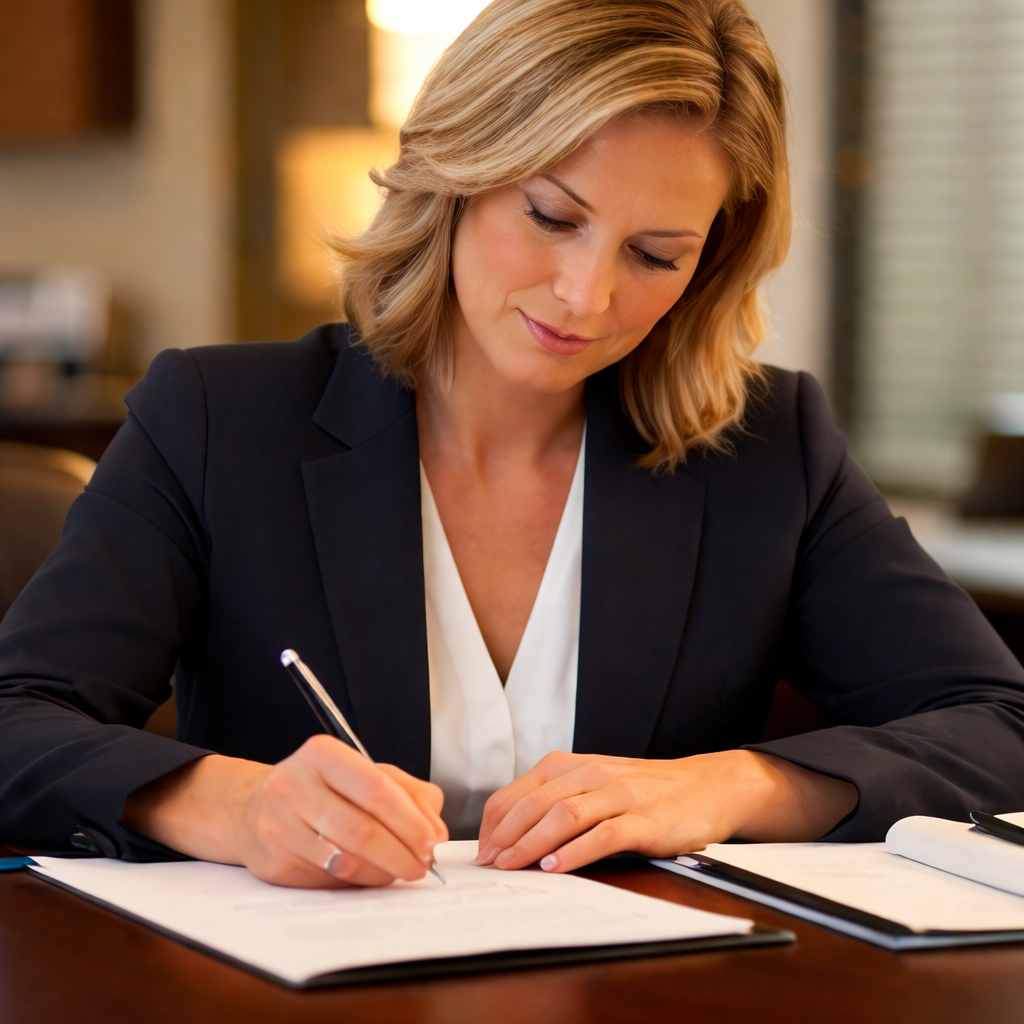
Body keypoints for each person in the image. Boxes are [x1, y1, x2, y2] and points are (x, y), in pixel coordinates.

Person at [2, 0, 1023, 890]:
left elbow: (998, 724)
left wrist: (724, 785)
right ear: (455, 171)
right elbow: (16, 721)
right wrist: (228, 806)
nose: (588, 297)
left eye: (654, 254)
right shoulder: (216, 421)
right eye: (550, 215)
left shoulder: (765, 450)